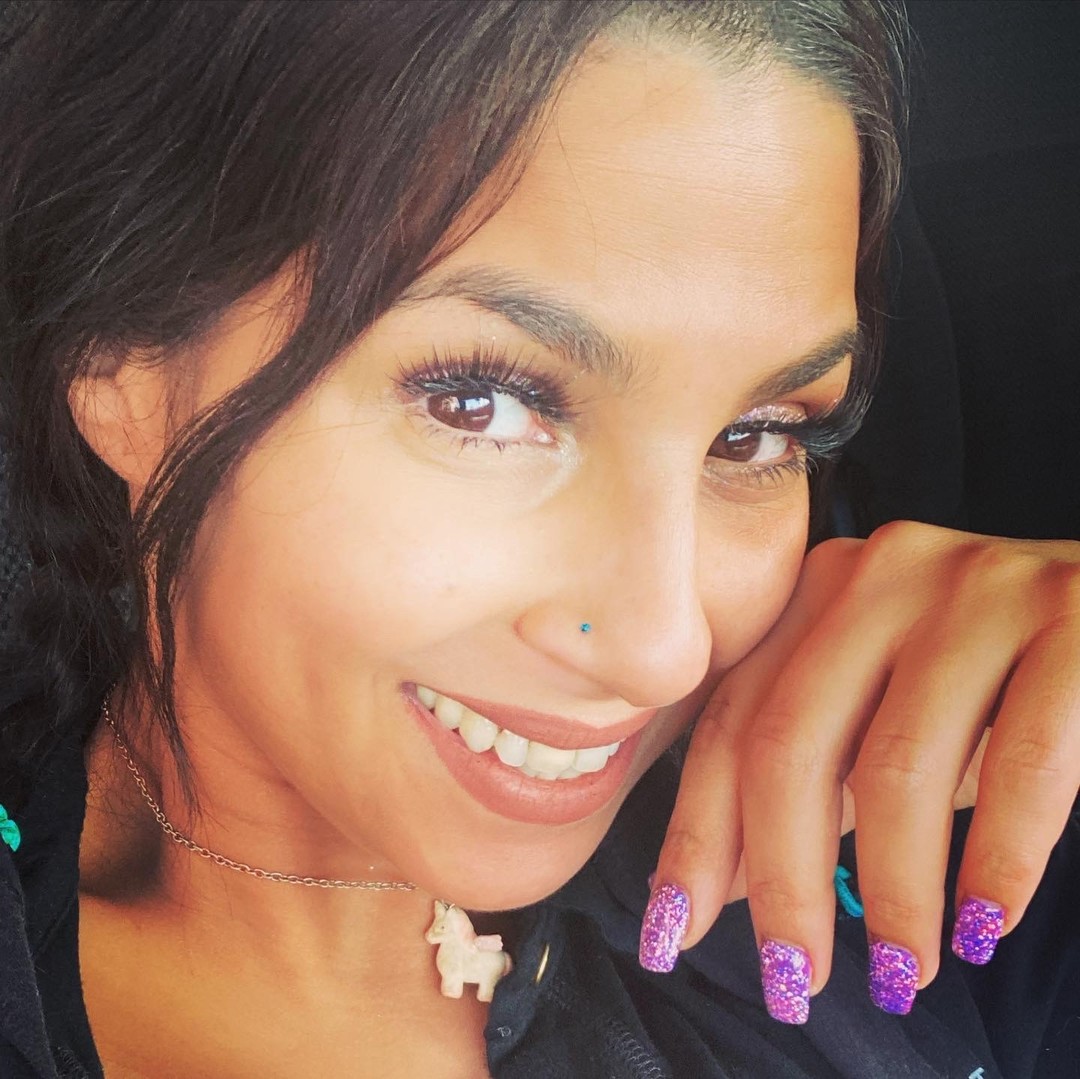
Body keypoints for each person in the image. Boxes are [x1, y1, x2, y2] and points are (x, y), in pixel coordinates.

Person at [0, 2, 1076, 1077]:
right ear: (120, 359)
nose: (663, 650)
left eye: (753, 436)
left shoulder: (940, 853)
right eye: (480, 404)